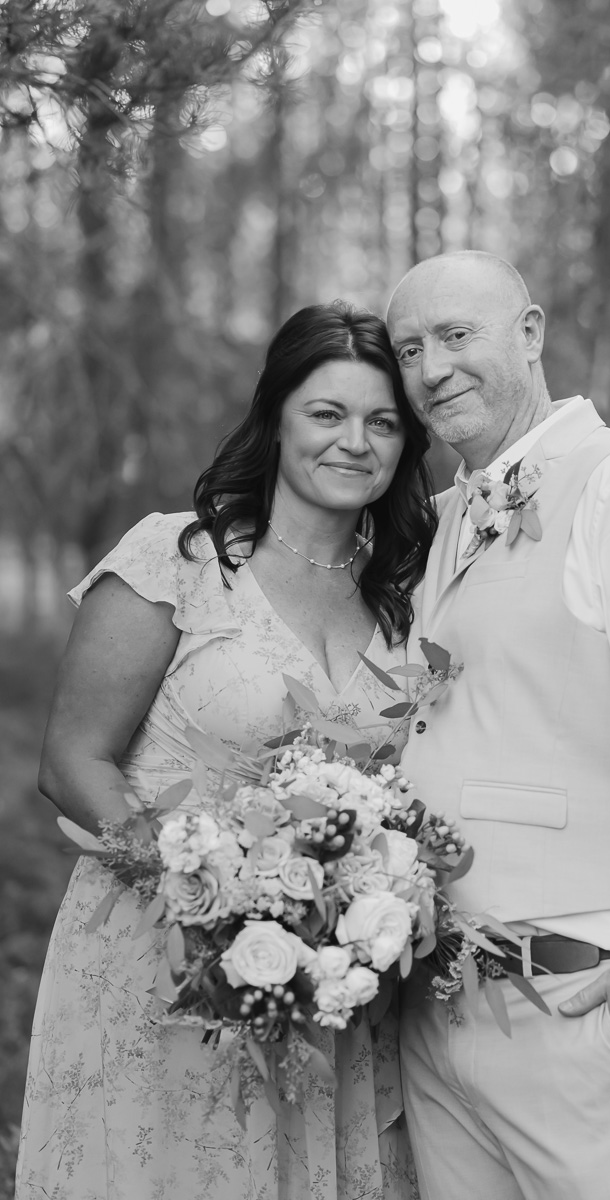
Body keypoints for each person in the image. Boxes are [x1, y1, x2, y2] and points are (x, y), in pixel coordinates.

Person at [16, 301, 436, 1200]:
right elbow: (73, 760)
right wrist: (205, 897)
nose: (354, 441)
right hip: (161, 955)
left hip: (327, 983)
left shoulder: (407, 599)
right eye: (326, 413)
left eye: (382, 422)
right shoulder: (177, 559)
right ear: (275, 418)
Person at [387, 251, 610, 1200]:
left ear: (531, 333)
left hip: (579, 1010)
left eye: (455, 336)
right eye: (409, 349)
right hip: (438, 1009)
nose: (432, 369)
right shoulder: (440, 520)